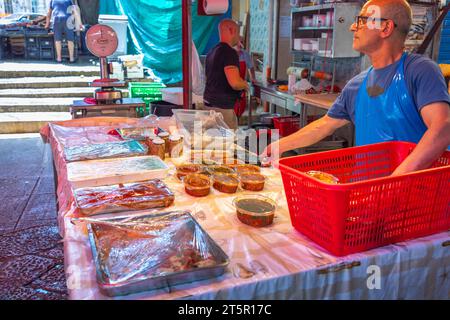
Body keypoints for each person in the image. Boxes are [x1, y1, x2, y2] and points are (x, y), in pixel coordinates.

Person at [262, 0, 450, 175]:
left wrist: (394, 181)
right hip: (367, 195)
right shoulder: (357, 84)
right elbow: (325, 125)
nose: (353, 27)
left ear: (385, 27)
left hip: (416, 199)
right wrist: (279, 145)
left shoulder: (420, 70)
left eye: (361, 21)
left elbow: (443, 127)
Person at [203, 19, 249, 130]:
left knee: (214, 143)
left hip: (208, 106)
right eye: (238, 33)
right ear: (232, 30)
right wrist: (245, 84)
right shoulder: (229, 52)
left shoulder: (212, 51)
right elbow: (235, 83)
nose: (238, 37)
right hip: (222, 110)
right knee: (228, 144)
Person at [233, 35, 257, 118]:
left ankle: (237, 127)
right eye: (237, 42)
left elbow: (251, 67)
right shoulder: (229, 54)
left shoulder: (245, 54)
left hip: (240, 87)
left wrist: (253, 78)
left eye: (242, 42)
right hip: (230, 87)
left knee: (240, 109)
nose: (240, 45)